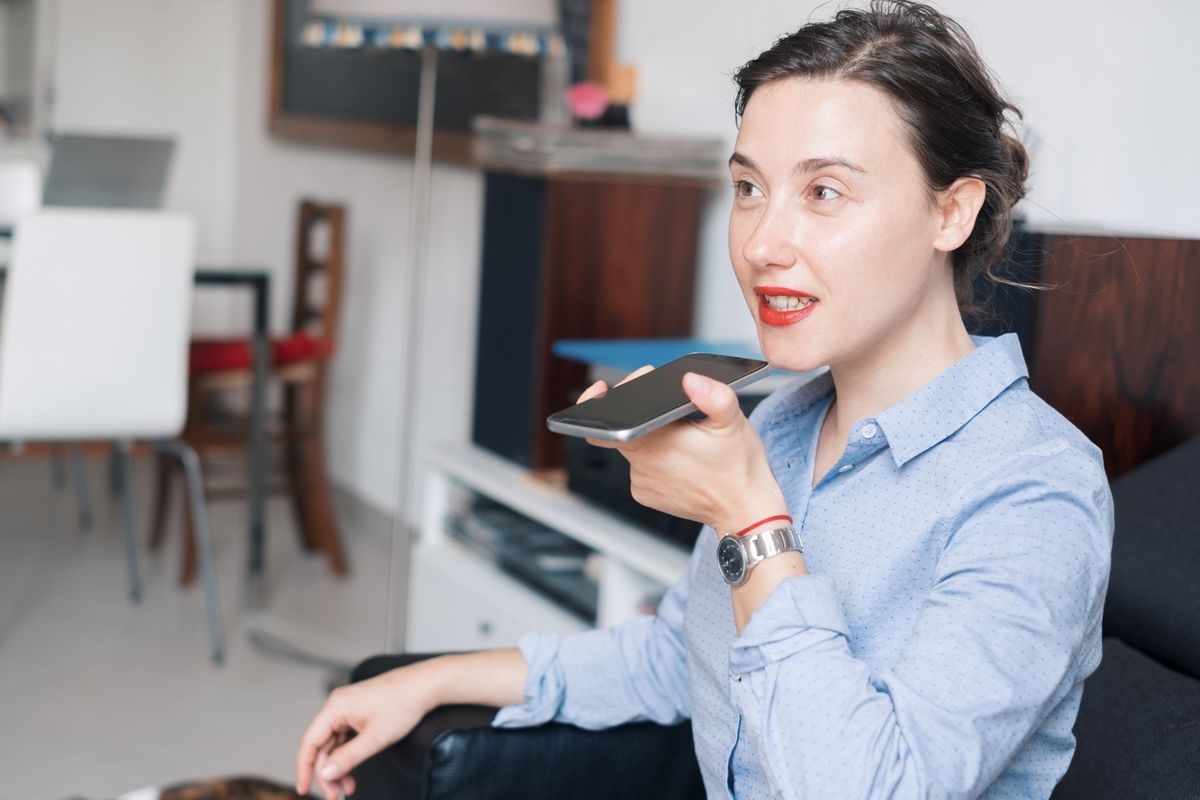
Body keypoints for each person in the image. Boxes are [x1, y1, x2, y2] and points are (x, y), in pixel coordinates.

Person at [296, 2, 1113, 797]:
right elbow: (677, 660)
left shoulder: (1035, 490)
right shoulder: (788, 420)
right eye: (750, 188)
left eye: (824, 192)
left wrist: (751, 521)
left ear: (952, 211)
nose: (762, 243)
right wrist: (433, 680)